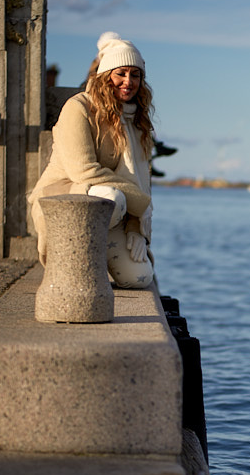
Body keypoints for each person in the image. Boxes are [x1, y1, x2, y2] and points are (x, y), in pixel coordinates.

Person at [29, 32, 155, 288]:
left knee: (140, 277)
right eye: (120, 73)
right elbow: (84, 172)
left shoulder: (137, 122)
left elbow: (141, 178)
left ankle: (98, 257)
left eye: (135, 74)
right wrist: (140, 203)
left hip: (113, 209)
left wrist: (135, 228)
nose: (128, 81)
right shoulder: (78, 108)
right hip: (67, 199)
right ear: (106, 75)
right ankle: (73, 263)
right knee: (112, 198)